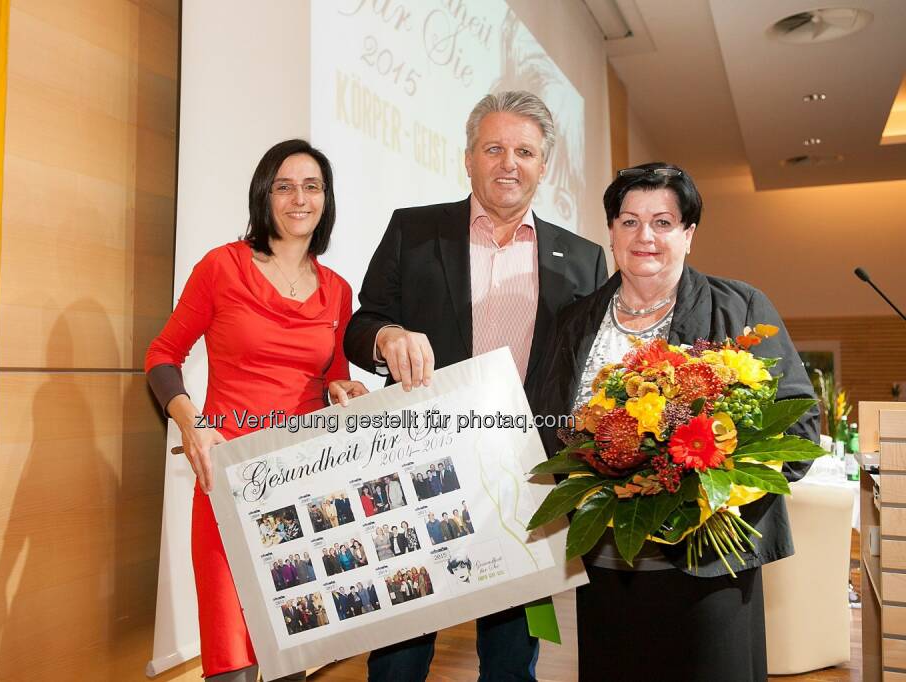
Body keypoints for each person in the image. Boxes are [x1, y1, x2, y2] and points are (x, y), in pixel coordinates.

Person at [345, 90, 607, 682]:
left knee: (513, 662)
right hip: (418, 471)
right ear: (468, 158)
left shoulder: (584, 259)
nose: (508, 163)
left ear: (544, 165)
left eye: (524, 151)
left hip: (525, 479)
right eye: (493, 148)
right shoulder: (413, 231)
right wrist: (386, 337)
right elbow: (359, 327)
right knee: (398, 659)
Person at [536, 162, 819, 682]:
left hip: (709, 565)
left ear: (688, 234)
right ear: (612, 232)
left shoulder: (740, 308)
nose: (645, 236)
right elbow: (545, 423)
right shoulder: (575, 321)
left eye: (663, 222)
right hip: (607, 565)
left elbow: (799, 428)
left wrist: (695, 474)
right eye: (629, 221)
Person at [144, 139, 368, 682]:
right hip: (229, 479)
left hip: (301, 482)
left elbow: (333, 376)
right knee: (230, 660)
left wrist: (346, 391)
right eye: (284, 186)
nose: (299, 199)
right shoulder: (222, 267)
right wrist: (192, 422)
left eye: (312, 186)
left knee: (288, 652)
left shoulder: (337, 291)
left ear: (326, 199)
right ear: (263, 195)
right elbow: (162, 356)